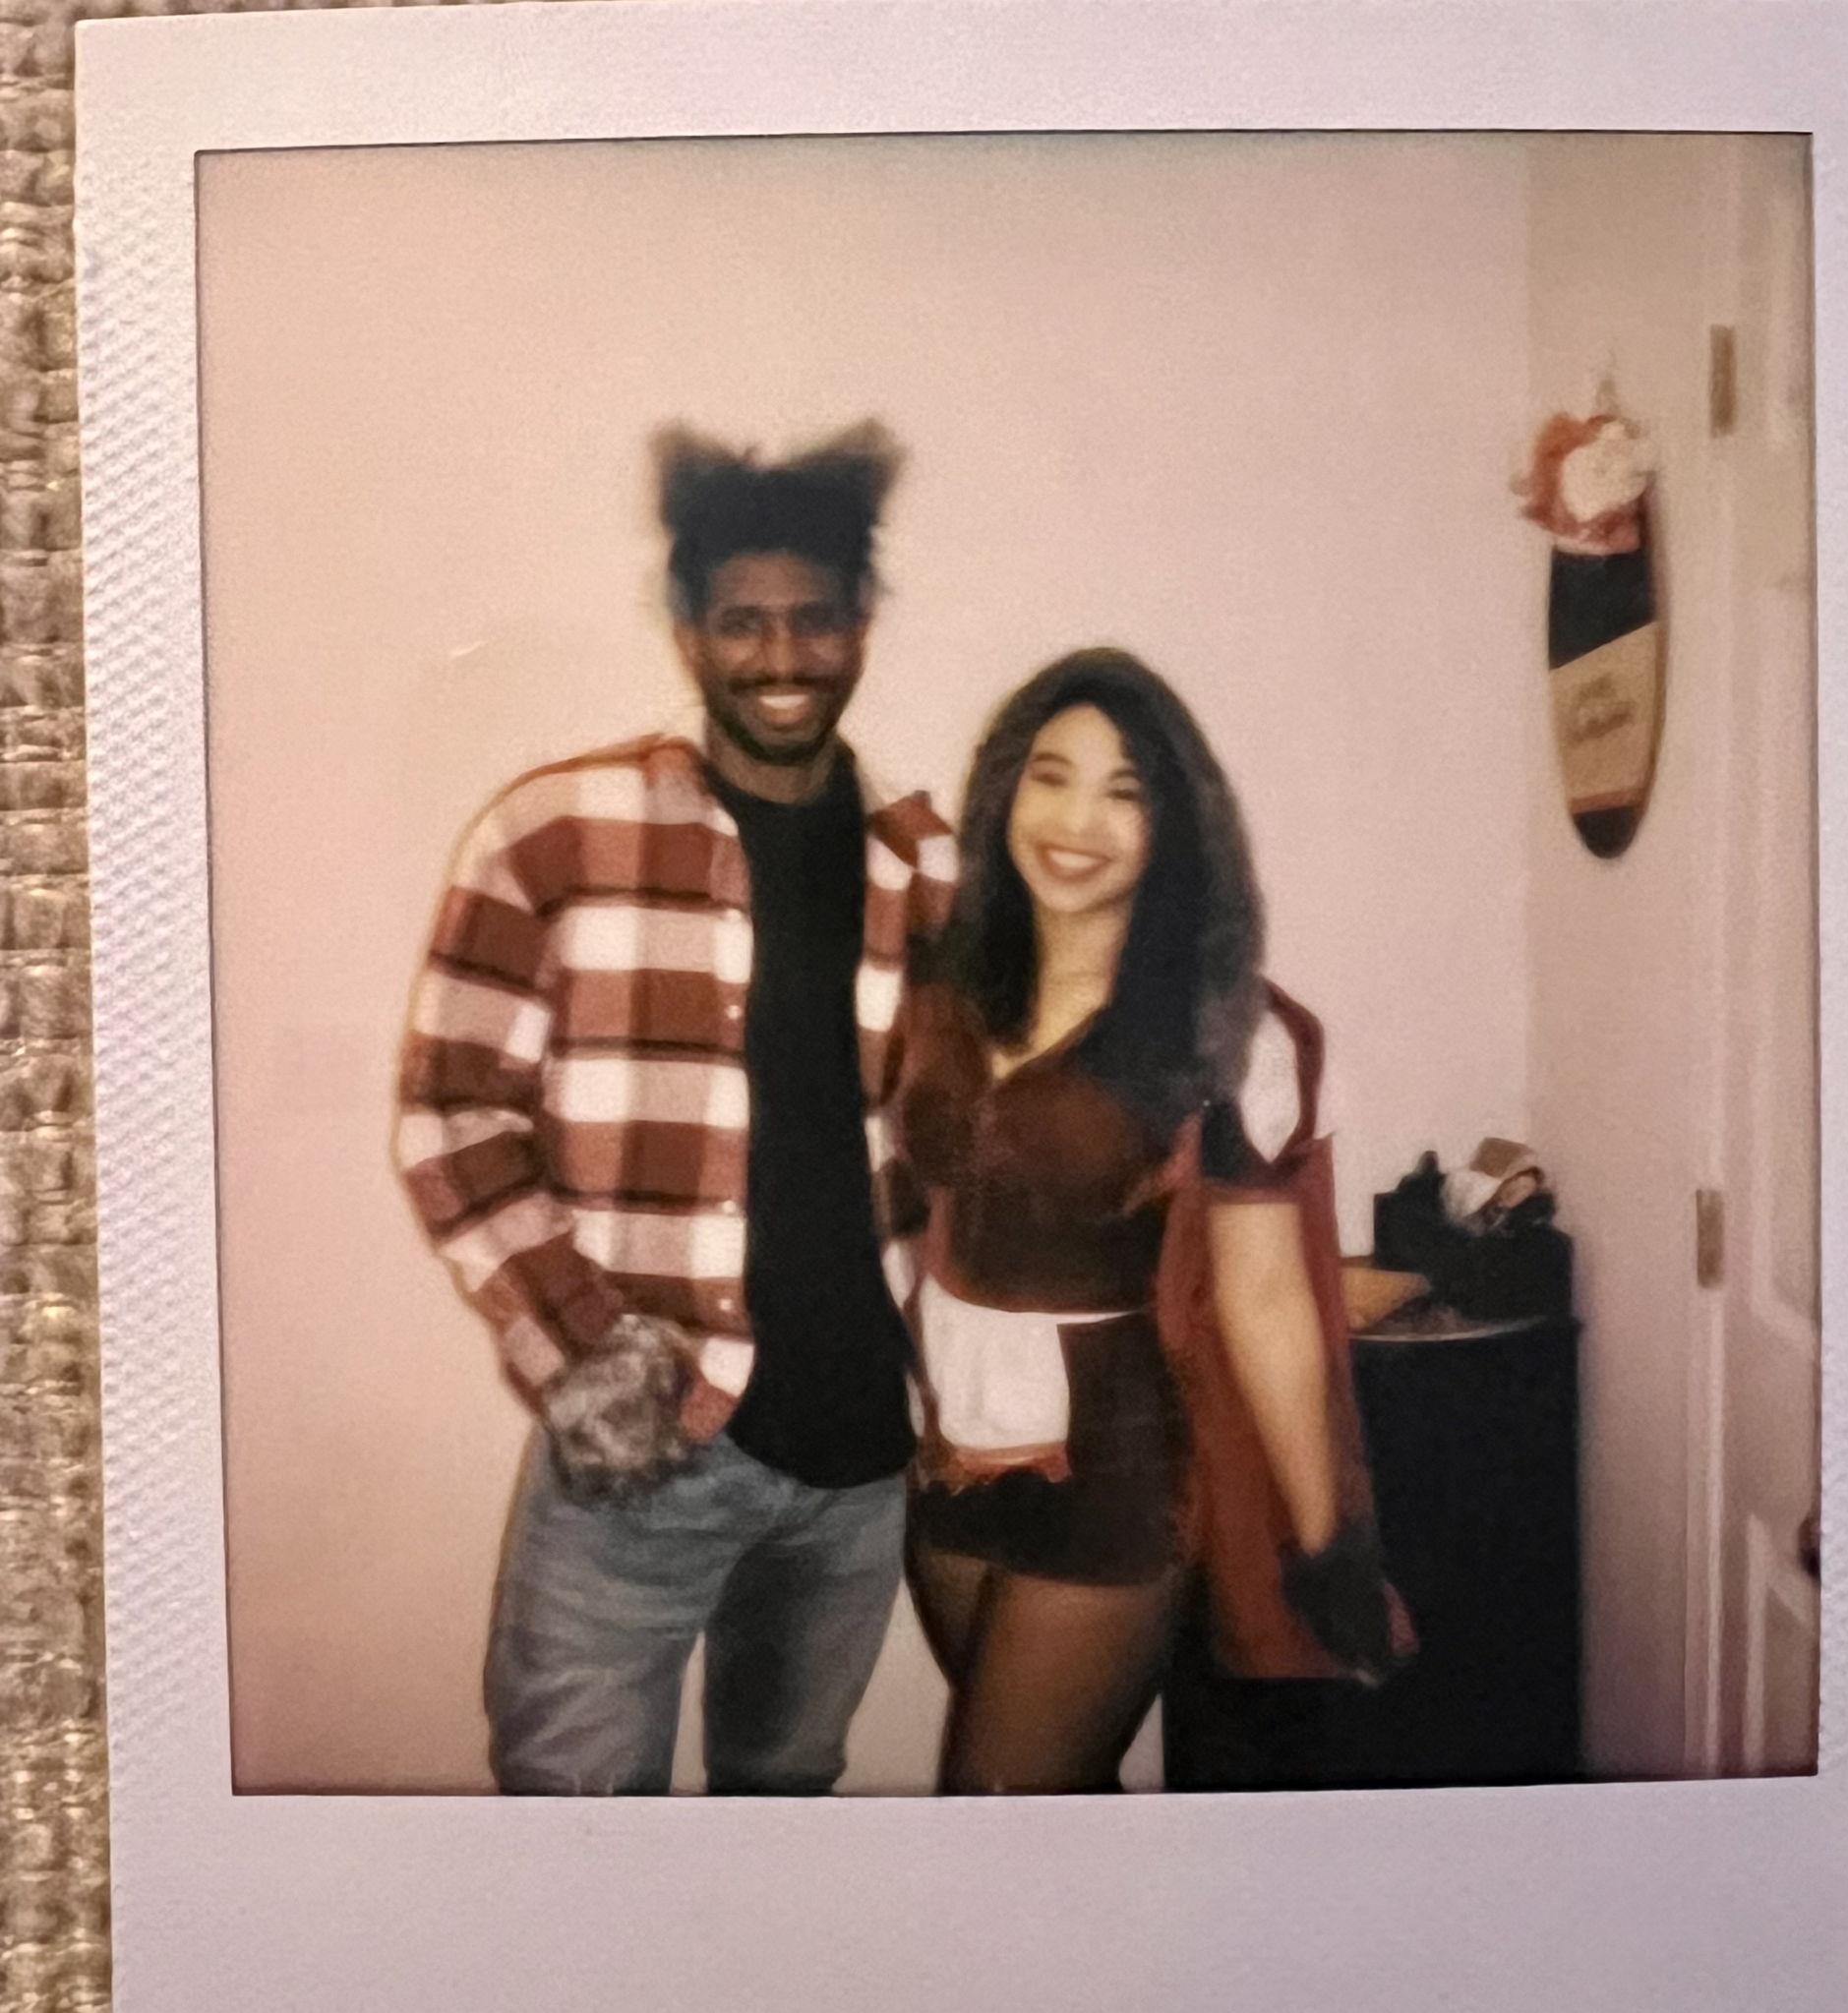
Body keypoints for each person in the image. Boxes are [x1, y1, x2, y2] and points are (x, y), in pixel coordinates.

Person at [395, 421, 955, 1795]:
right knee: (574, 1823)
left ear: (862, 621)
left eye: (815, 619)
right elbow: (450, 1113)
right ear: (688, 631)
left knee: (782, 1811)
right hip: (642, 1461)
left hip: (859, 1466)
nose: (781, 657)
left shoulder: (928, 868)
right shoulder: (557, 832)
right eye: (743, 622)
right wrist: (594, 1359)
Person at [895, 647, 1407, 1795]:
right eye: (1049, 776)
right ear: (1004, 789)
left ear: (1171, 826)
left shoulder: (1220, 1032)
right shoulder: (942, 982)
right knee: (1058, 1806)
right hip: (947, 1475)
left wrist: (1326, 1541)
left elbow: (1264, 1299)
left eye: (1122, 792)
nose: (1074, 820)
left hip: (1114, 1484)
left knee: (995, 1807)